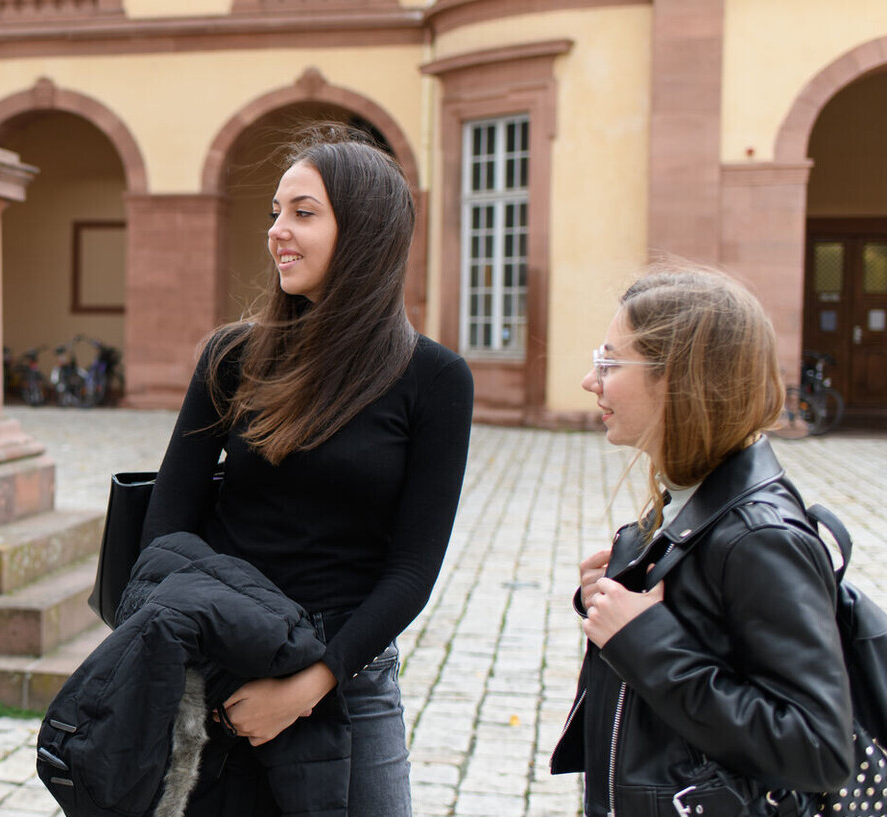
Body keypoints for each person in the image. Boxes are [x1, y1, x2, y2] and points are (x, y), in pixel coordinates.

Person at [137, 131, 474, 815]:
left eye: (303, 212)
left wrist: (308, 684)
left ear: (366, 231)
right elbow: (165, 529)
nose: (278, 232)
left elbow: (412, 568)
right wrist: (232, 647)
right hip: (224, 670)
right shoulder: (232, 358)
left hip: (348, 676)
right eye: (275, 212)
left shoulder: (433, 380)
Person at [550, 267, 853, 815]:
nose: (591, 381)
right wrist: (621, 588)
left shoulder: (760, 537)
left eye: (611, 362)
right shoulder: (689, 500)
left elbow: (818, 747)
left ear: (680, 378)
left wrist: (646, 641)